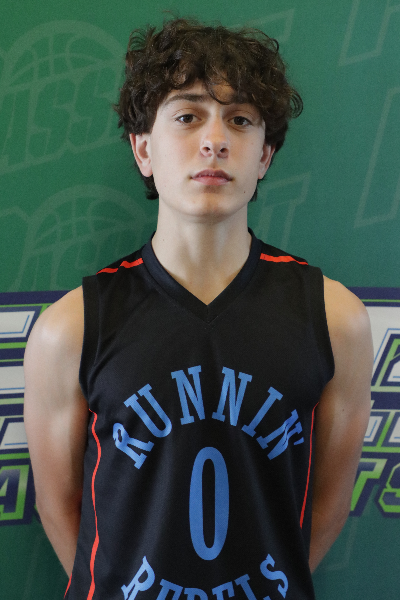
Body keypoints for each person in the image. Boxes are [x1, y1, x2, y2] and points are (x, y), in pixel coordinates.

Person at [24, 17, 373, 600]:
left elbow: (328, 505)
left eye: (240, 120)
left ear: (264, 156)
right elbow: (61, 509)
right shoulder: (72, 327)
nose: (215, 139)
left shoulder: (336, 319)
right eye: (188, 116)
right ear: (143, 149)